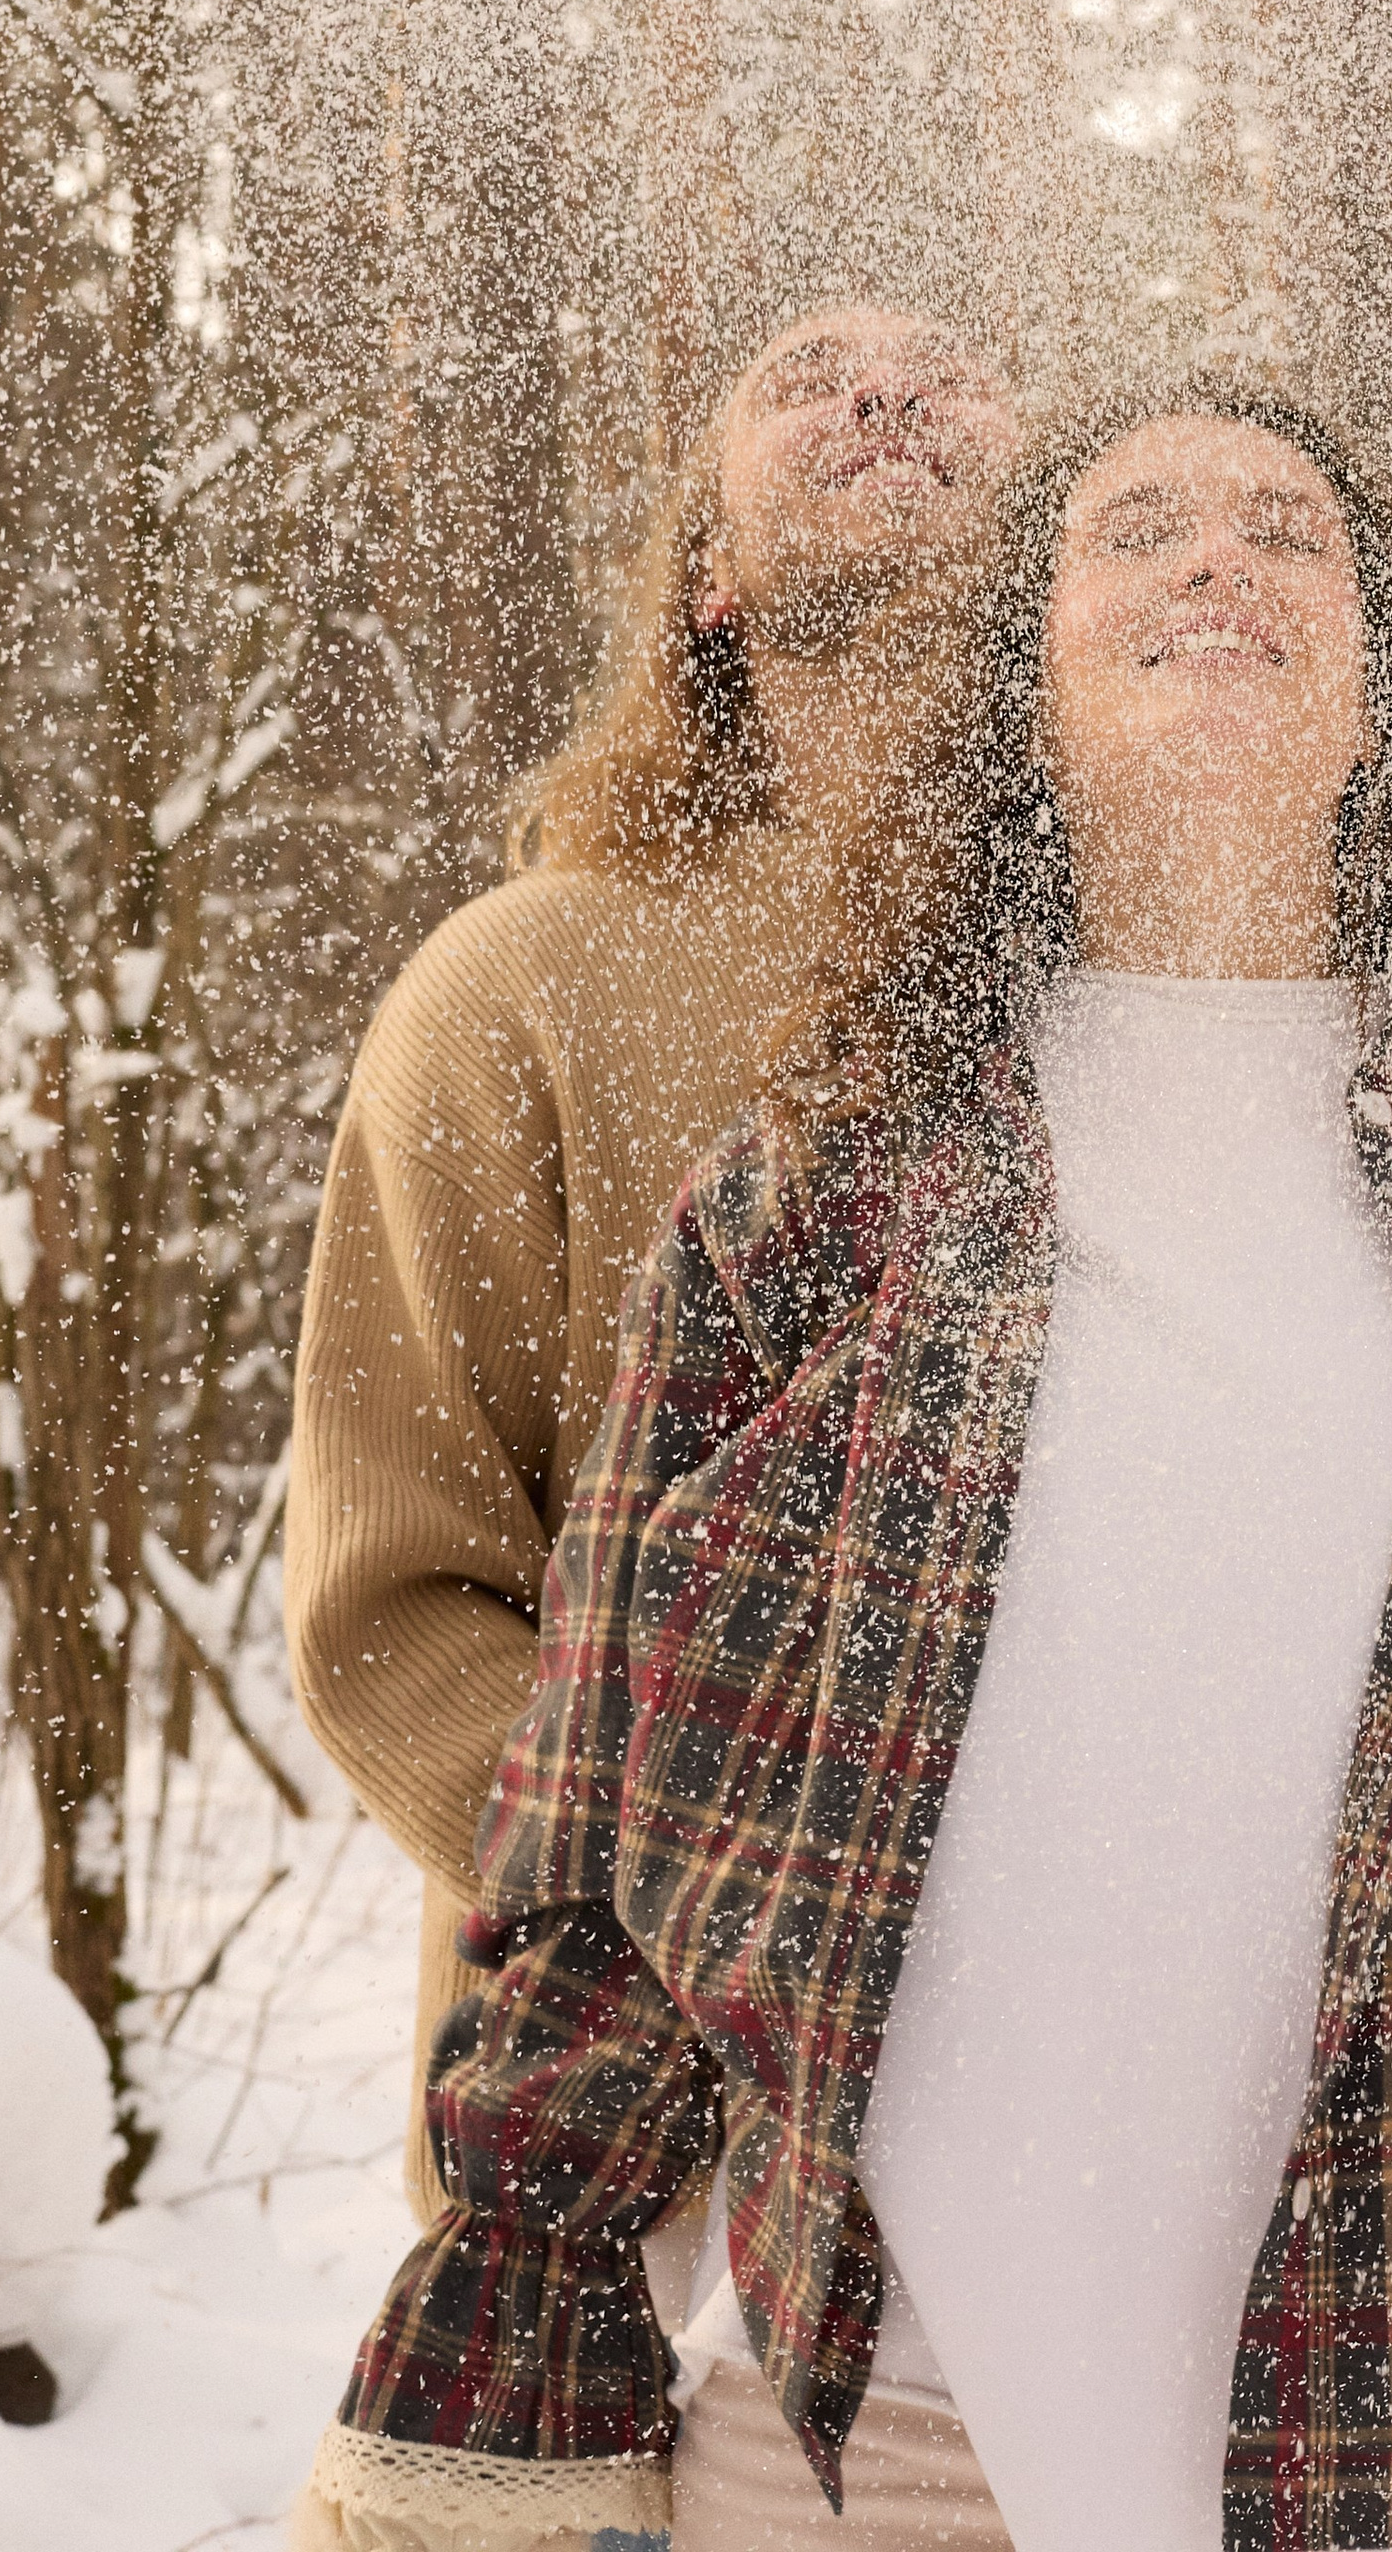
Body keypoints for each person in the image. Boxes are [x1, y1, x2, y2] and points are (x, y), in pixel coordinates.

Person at [293, 388, 1392, 2552]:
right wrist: (520, 2325)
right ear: (1016, 673)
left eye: (1285, 528)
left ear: (1380, 681)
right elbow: (608, 1825)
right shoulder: (811, 1196)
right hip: (878, 2451)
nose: (1214, 557)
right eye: (1132, 526)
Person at [286, 301, 1021, 2219]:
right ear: (707, 576)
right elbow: (399, 1613)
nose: (883, 391)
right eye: (805, 377)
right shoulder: (512, 988)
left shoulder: (1191, 979)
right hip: (642, 2191)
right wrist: (751, 1936)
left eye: (946, 371)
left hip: (1150, 2181)